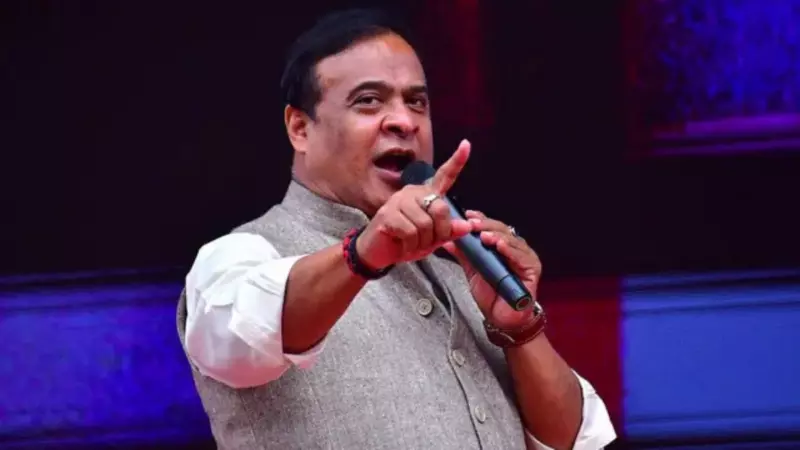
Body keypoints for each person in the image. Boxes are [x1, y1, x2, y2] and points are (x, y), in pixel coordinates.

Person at [176, 8, 616, 450]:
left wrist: (520, 329)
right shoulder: (241, 257)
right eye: (369, 100)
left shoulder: (465, 277)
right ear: (300, 128)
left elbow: (573, 441)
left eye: (417, 102)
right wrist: (364, 253)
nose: (404, 121)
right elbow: (242, 338)